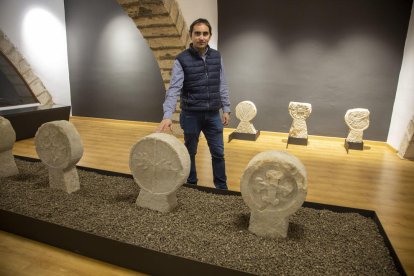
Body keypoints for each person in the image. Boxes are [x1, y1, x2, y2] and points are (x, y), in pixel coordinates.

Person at [157, 18, 231, 190]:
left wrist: (226, 108)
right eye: (197, 33)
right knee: (189, 152)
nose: (201, 37)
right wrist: (167, 115)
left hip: (213, 115)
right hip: (191, 115)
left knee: (218, 153)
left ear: (210, 36)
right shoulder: (181, 60)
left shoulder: (217, 57)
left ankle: (222, 188)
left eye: (205, 34)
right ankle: (191, 185)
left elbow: (222, 84)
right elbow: (173, 89)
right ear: (191, 35)